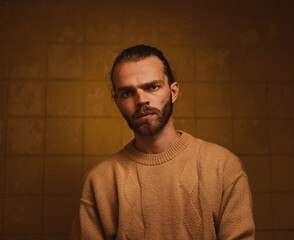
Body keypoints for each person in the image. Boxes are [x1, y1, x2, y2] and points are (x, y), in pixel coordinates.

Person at [70, 45, 255, 239]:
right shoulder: (98, 182)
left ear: (173, 92)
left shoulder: (223, 167)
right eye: (127, 93)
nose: (141, 100)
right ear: (117, 103)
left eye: (152, 87)